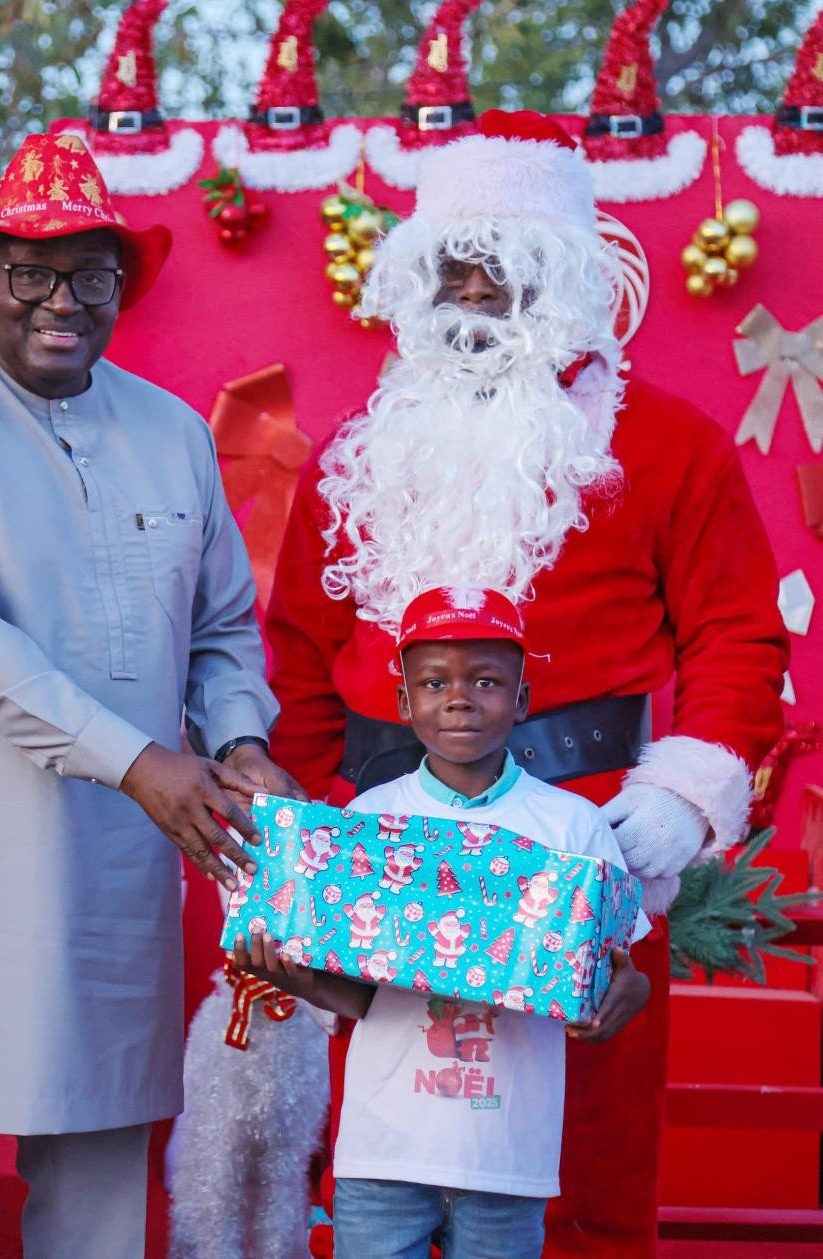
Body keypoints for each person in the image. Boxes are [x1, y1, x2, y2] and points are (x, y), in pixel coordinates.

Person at [266, 111, 788, 1257]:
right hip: (388, 851)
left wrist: (680, 798)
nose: (473, 290)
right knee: (386, 1154)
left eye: (502, 264)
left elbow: (740, 637)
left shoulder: (668, 443)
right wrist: (317, 826)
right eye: (452, 263)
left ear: (565, 279)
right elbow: (295, 655)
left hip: (586, 848)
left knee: (584, 1161)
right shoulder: (359, 452)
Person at [0, 132, 302, 1259]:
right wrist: (142, 762)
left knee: (98, 1195)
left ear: (122, 288)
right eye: (32, 273)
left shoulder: (171, 432)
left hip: (116, 879)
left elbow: (221, 627)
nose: (62, 302)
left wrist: (240, 738)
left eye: (92, 276)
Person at [237, 585, 651, 1259]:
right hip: (383, 1150)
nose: (460, 699)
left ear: (522, 699)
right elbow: (363, 996)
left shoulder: (572, 826)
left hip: (507, 1158)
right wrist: (294, 977)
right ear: (405, 702)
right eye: (434, 683)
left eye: (486, 681)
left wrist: (624, 996)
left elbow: (625, 969)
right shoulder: (367, 821)